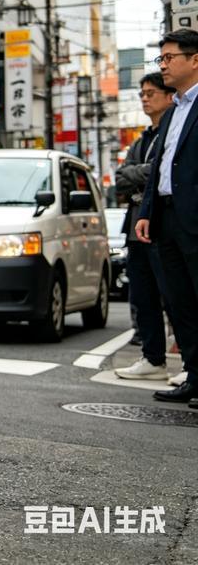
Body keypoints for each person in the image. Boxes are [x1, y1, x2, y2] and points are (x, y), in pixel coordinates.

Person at [136, 28, 198, 408]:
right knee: (180, 302)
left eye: (169, 58)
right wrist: (147, 212)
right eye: (161, 59)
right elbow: (160, 165)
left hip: (194, 217)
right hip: (166, 217)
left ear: (195, 59)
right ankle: (195, 374)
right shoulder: (174, 108)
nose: (163, 66)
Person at [114, 73, 175, 380]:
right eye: (142, 93)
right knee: (142, 295)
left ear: (169, 96)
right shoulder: (141, 139)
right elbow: (120, 178)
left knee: (175, 294)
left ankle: (191, 364)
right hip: (136, 226)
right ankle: (153, 358)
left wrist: (138, 176)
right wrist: (144, 175)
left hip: (163, 224)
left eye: (151, 92)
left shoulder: (174, 130)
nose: (145, 98)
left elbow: (162, 170)